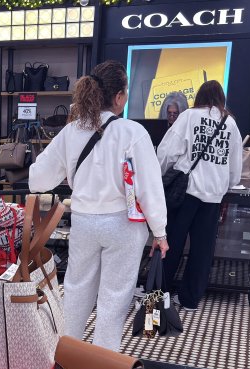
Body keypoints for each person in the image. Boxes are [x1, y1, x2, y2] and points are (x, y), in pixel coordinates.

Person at [29, 60, 168, 351]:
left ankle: (67, 357)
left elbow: (37, 178)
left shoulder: (72, 131)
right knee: (114, 299)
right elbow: (149, 188)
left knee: (76, 290)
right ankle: (102, 365)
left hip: (83, 221)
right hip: (123, 225)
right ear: (118, 97)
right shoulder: (133, 133)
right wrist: (160, 231)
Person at [157, 80, 243, 311]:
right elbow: (235, 167)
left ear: (199, 97)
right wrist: (225, 184)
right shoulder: (230, 123)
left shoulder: (189, 116)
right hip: (213, 196)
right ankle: (190, 299)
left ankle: (160, 293)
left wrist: (161, 175)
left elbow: (166, 152)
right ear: (221, 99)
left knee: (171, 243)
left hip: (186, 192)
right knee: (202, 250)